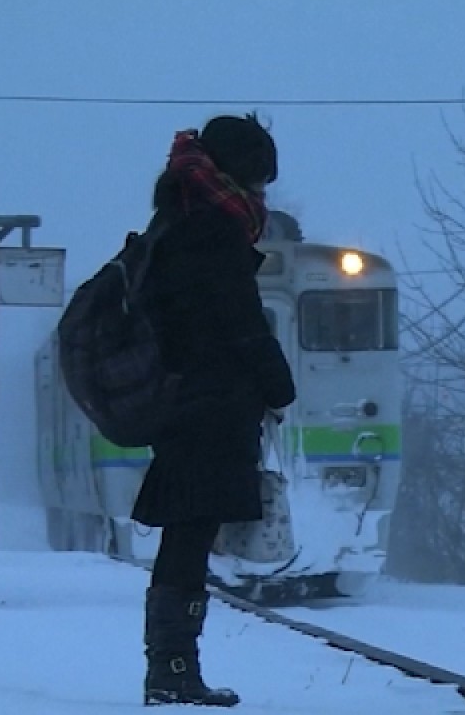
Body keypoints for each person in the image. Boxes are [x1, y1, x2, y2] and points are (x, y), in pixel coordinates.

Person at [130, 114, 296, 707]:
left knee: (189, 533)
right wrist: (278, 384)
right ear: (238, 173)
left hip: (188, 402)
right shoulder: (212, 229)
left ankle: (173, 668)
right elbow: (238, 321)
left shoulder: (180, 217)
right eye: (258, 181)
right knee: (191, 535)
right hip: (209, 404)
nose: (261, 196)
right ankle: (174, 671)